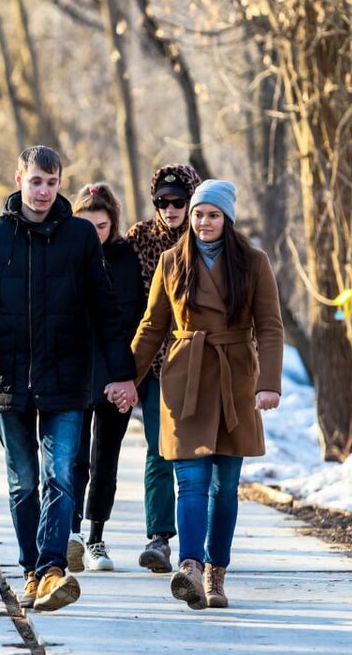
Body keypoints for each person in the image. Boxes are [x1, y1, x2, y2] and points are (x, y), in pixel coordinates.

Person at [0, 146, 138, 612]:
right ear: (19, 178)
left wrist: (124, 375)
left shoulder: (80, 236)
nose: (43, 191)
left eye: (52, 182)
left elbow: (106, 310)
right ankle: (30, 570)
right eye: (36, 181)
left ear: (60, 184)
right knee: (24, 482)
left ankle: (52, 569)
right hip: (8, 381)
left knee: (60, 476)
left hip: (67, 379)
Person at [130, 179, 284, 610]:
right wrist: (127, 378)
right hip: (186, 377)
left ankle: (217, 571)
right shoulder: (171, 260)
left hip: (235, 378)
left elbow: (270, 326)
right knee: (191, 481)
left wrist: (269, 382)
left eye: (212, 214)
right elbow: (152, 326)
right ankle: (190, 567)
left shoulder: (253, 262)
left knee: (225, 487)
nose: (202, 222)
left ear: (227, 218)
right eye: (198, 214)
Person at [123, 163, 201, 573]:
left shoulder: (207, 237)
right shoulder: (139, 239)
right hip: (154, 363)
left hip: (200, 363)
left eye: (178, 201)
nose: (170, 209)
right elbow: (130, 305)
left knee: (199, 454)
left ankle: (201, 542)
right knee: (158, 449)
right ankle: (159, 537)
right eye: (162, 202)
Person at [67, 183, 143, 573]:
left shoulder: (126, 258)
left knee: (105, 459)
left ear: (112, 224)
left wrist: (128, 377)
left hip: (116, 371)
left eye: (101, 225)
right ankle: (72, 533)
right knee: (72, 458)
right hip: (74, 373)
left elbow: (135, 318)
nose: (93, 232)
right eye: (86, 224)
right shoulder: (66, 254)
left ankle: (96, 536)